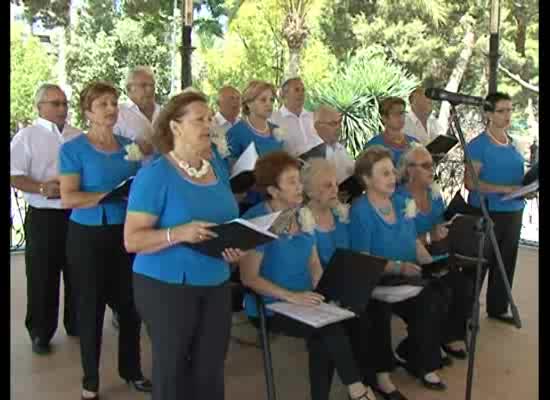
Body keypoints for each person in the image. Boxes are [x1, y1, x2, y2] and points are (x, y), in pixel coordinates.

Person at [125, 91, 244, 400]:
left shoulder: (216, 167)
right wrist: (177, 233)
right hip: (166, 286)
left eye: (209, 119)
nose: (209, 126)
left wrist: (235, 247)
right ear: (175, 127)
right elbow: (132, 239)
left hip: (216, 281)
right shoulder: (155, 174)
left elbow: (226, 219)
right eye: (199, 120)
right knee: (173, 370)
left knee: (210, 370)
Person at [239, 151, 375, 400]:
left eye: (298, 180)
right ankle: (359, 392)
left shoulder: (299, 214)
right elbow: (249, 278)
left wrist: (324, 295)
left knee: (337, 324)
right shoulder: (259, 220)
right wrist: (292, 297)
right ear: (273, 190)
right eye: (291, 182)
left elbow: (313, 263)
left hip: (305, 300)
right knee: (328, 330)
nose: (299, 186)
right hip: (272, 305)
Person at [59, 81, 151, 400]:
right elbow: (69, 197)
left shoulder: (130, 146)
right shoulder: (73, 149)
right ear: (88, 112)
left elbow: (144, 186)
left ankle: (132, 371)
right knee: (90, 308)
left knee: (130, 306)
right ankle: (91, 379)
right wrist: (107, 196)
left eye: (114, 103)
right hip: (87, 237)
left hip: (125, 235)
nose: (111, 109)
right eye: (103, 104)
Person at [349, 145, 448, 396]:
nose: (392, 178)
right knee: (378, 310)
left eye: (393, 172)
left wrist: (428, 264)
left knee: (435, 295)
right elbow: (362, 258)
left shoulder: (403, 201)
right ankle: (381, 374)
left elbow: (414, 241)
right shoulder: (360, 210)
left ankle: (419, 360)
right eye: (384, 173)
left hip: (406, 275)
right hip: (375, 279)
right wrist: (397, 266)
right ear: (366, 179)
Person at [10, 83, 80, 355]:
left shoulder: (77, 136)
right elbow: (13, 174)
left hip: (76, 214)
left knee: (78, 273)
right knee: (42, 276)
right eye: (55, 103)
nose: (62, 108)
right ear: (40, 107)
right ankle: (41, 332)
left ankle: (77, 323)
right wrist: (40, 187)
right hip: (43, 216)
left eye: (64, 103)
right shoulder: (27, 137)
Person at [395, 145, 472, 359]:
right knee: (442, 289)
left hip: (439, 254)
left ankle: (448, 336)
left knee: (463, 284)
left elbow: (441, 224)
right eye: (426, 165)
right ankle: (418, 344)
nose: (433, 169)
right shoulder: (398, 199)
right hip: (410, 258)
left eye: (433, 164)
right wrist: (429, 237)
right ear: (409, 170)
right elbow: (399, 240)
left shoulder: (434, 194)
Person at [463, 92, 530, 325]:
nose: (507, 115)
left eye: (510, 110)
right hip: (488, 210)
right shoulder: (478, 145)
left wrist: (526, 189)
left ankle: (498, 307)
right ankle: (466, 311)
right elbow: (471, 183)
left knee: (507, 261)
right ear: (488, 114)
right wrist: (503, 189)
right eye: (501, 111)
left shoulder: (513, 143)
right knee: (480, 262)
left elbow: (516, 178)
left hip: (514, 210)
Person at [227, 80, 284, 210]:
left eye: (271, 100)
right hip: (247, 203)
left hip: (275, 199)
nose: (269, 104)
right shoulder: (236, 132)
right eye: (263, 100)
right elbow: (231, 172)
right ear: (249, 103)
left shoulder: (276, 130)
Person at [271, 77, 323, 156]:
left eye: (303, 90)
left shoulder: (313, 117)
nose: (301, 94)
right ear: (283, 94)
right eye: (296, 90)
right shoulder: (274, 120)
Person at [114, 66, 159, 154]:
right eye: (144, 85)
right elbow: (107, 150)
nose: (149, 89)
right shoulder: (118, 113)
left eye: (152, 85)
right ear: (129, 89)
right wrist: (133, 148)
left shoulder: (165, 113)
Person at [365, 97, 419, 165]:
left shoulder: (415, 143)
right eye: (395, 113)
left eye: (402, 113)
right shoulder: (373, 146)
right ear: (384, 118)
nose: (400, 117)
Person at [312, 105, 355, 184]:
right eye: (333, 123)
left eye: (339, 122)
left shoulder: (340, 148)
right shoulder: (311, 154)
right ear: (318, 126)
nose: (338, 127)